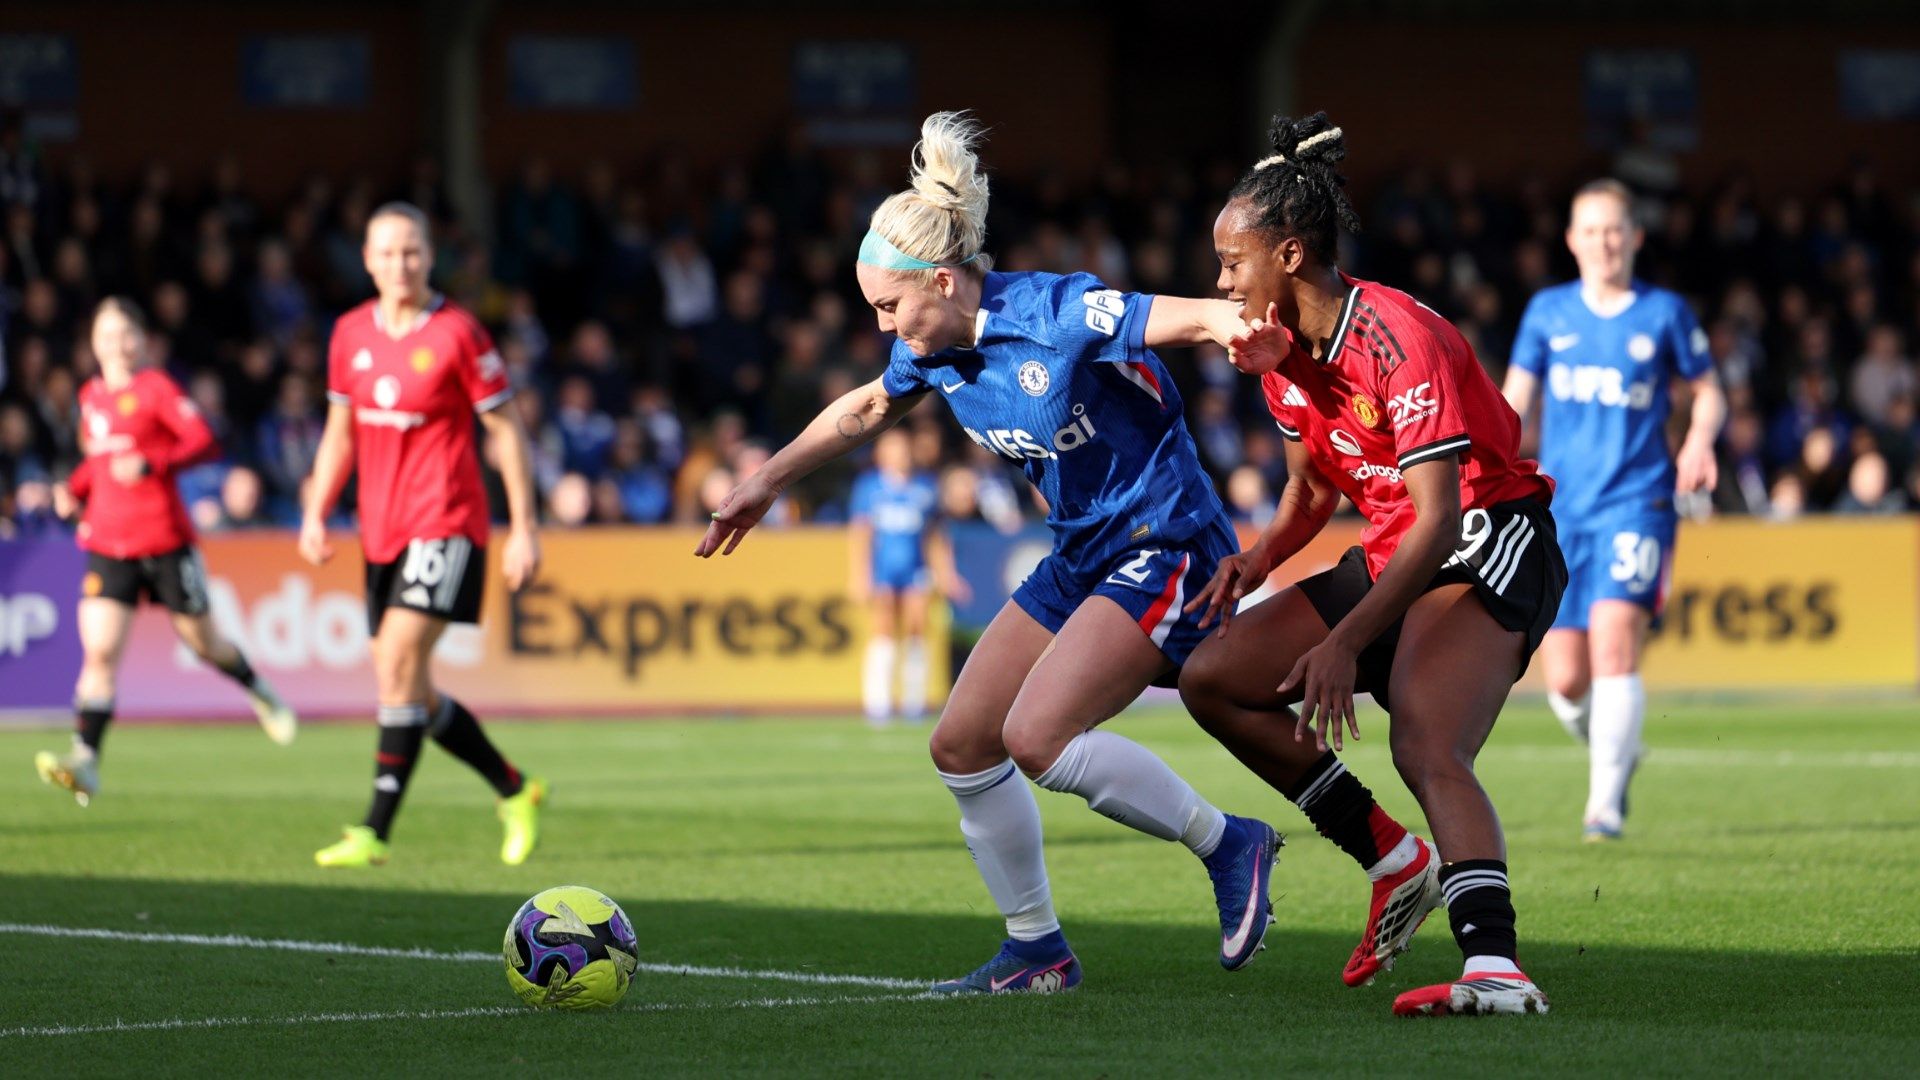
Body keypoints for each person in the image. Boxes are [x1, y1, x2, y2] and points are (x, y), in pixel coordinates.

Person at [699, 113, 1282, 993]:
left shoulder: (1050, 312)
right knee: (964, 743)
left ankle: (1231, 842)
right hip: (1081, 553)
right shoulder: (934, 352)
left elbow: (1175, 315)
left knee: (1038, 737)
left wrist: (1231, 326)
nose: (889, 330)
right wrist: (768, 481)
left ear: (941, 279)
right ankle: (1037, 949)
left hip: (1165, 543)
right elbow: (862, 409)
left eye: (891, 308)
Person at [1177, 113, 1566, 1017]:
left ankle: (1498, 969)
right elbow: (1311, 494)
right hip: (1401, 548)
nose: (1221, 282)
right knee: (1214, 678)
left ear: (1291, 252)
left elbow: (1440, 519)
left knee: (1426, 741)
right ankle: (1393, 858)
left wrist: (1348, 642)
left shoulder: (1397, 339)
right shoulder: (1276, 353)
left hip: (1485, 536)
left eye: (1233, 262)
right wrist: (1259, 556)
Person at [301, 201, 547, 868]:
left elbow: (506, 430)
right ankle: (515, 787)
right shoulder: (349, 334)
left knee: (400, 659)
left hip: (447, 520)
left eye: (411, 251)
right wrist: (316, 509)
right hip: (379, 529)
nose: (399, 264)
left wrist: (525, 527)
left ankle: (374, 829)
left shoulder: (460, 333)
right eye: (386, 252)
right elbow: (339, 433)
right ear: (367, 260)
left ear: (429, 256)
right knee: (407, 681)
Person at [1501, 179, 1724, 842]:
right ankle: (1616, 752)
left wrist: (1701, 438)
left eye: (1614, 229)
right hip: (1562, 509)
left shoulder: (1664, 314)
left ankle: (1604, 807)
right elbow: (1513, 403)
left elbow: (1709, 391)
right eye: (1591, 230)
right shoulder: (1546, 313)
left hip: (1639, 500)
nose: (1603, 242)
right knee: (1565, 680)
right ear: (1572, 240)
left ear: (1636, 237)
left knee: (1616, 646)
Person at [37, 297, 296, 806]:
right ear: (94, 342)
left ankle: (258, 688)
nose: (115, 343)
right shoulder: (90, 397)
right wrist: (75, 488)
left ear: (140, 340)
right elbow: (100, 463)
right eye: (105, 334)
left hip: (166, 541)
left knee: (205, 644)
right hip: (109, 543)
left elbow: (203, 441)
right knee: (100, 652)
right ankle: (86, 760)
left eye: (124, 333)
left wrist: (153, 463)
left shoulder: (156, 389)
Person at [849, 427, 967, 725]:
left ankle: (915, 701)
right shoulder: (869, 487)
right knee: (883, 629)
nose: (899, 455)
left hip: (916, 568)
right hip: (884, 568)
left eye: (903, 449)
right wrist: (859, 575)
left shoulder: (925, 487)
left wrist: (947, 573)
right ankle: (878, 703)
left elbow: (936, 536)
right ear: (881, 454)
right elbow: (861, 535)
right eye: (892, 449)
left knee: (917, 629)